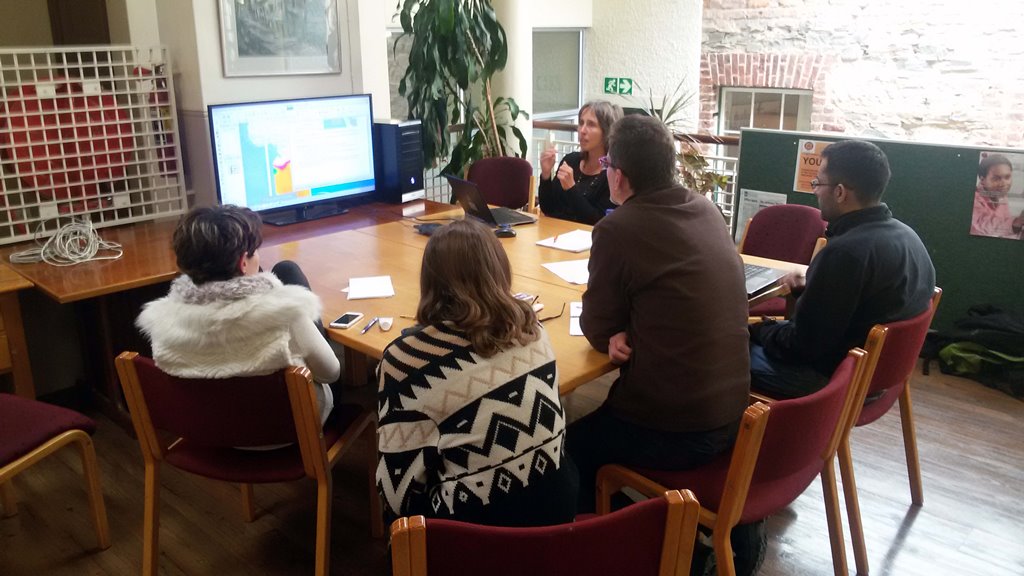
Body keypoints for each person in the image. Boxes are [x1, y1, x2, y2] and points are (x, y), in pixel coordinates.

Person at [568, 115, 751, 514]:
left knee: (566, 448)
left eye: (607, 166)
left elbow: (596, 326)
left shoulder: (619, 229)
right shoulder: (705, 209)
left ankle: (614, 535)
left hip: (677, 429)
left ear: (619, 176)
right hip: (734, 411)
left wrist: (616, 331)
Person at [375, 219, 577, 528]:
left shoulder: (404, 359)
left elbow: (396, 496)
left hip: (475, 541)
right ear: (500, 270)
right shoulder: (532, 328)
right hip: (558, 517)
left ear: (429, 280)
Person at [748, 140, 936, 398]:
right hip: (880, 378)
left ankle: (742, 435)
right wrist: (810, 292)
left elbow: (801, 348)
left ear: (839, 192)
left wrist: (759, 328)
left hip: (831, 384)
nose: (815, 191)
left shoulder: (844, 253)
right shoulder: (907, 236)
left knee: (720, 354)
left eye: (818, 184)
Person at [136, 205, 340, 428]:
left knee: (286, 270)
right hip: (286, 430)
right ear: (243, 262)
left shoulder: (162, 318)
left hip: (206, 429)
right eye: (254, 252)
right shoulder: (285, 311)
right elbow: (330, 372)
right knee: (288, 272)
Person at [537, 100, 623, 224]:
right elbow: (548, 208)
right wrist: (545, 176)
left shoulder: (612, 173)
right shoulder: (570, 160)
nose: (582, 130)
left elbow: (597, 222)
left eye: (591, 124)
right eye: (581, 123)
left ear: (607, 132)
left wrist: (571, 188)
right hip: (556, 236)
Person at [971, 153, 1024, 239]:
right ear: (982, 180)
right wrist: (1016, 222)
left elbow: (1003, 225)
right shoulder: (974, 198)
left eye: (1007, 177)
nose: (1004, 184)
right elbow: (983, 224)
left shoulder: (1000, 194)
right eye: (996, 178)